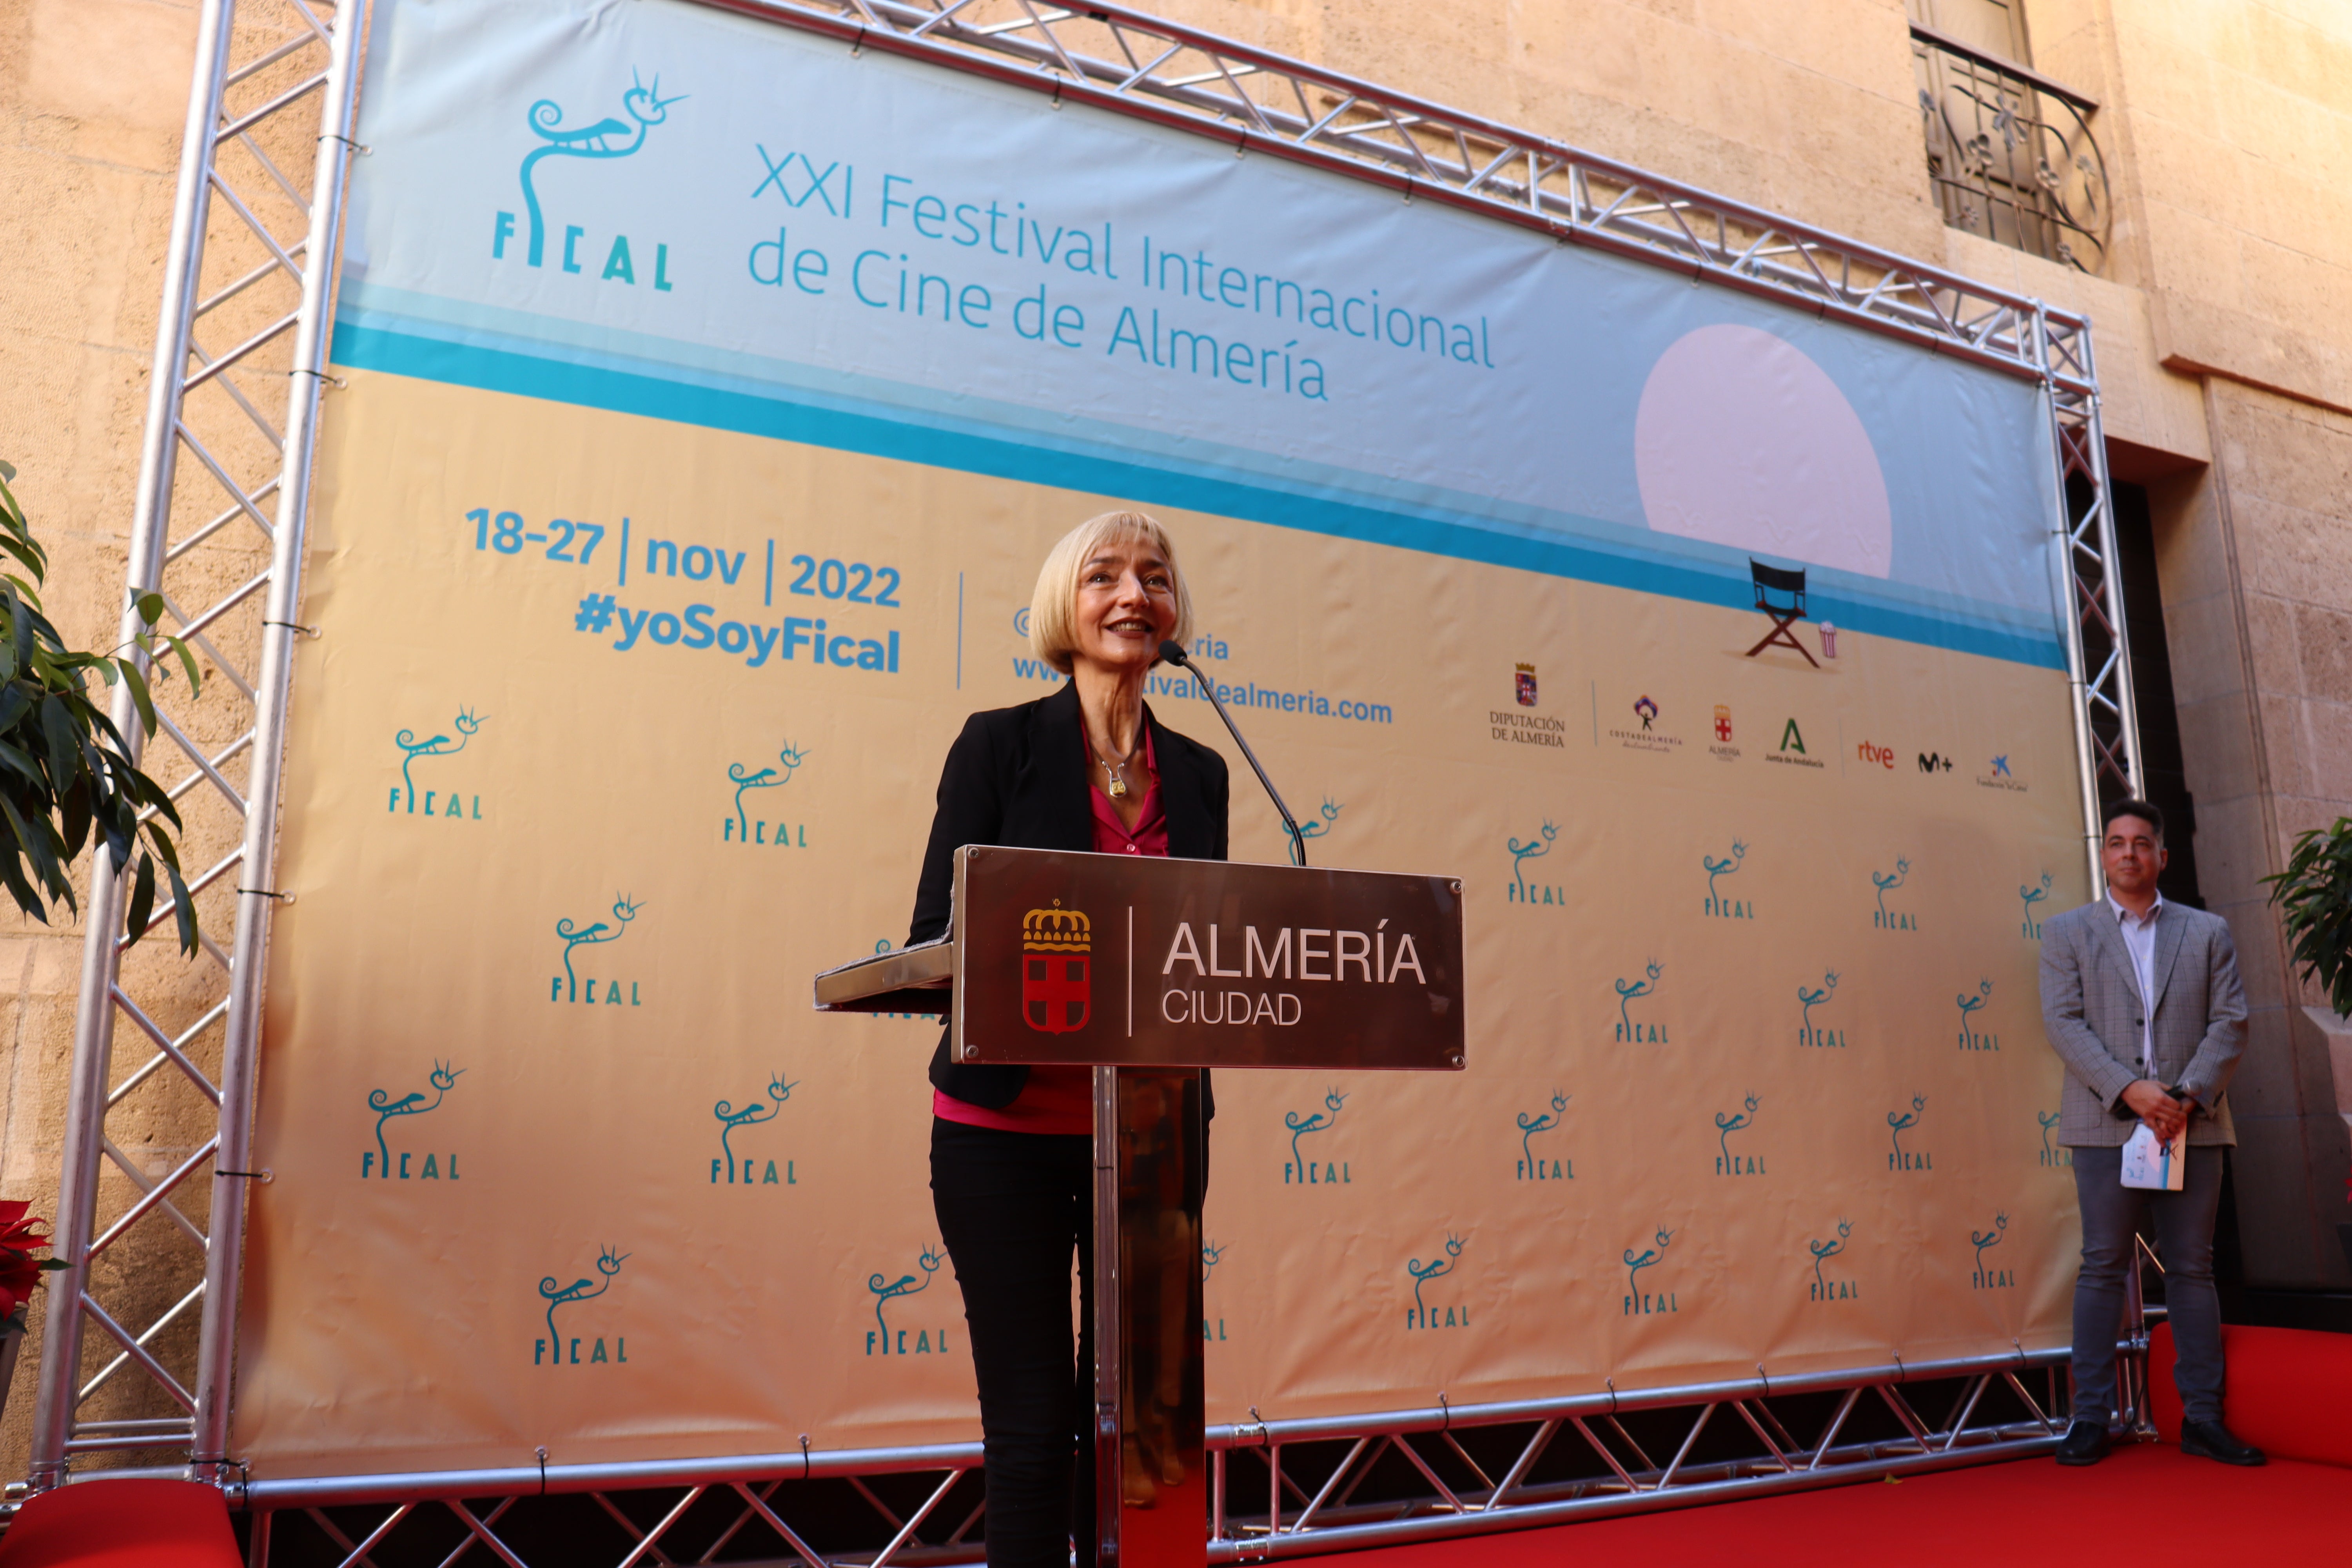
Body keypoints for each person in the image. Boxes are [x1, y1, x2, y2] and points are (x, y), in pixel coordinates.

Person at [908, 511, 1228, 1567]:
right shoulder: (997, 745)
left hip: (1153, 1142)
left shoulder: (1205, 775)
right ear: (1065, 604)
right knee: (1038, 1432)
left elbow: (1210, 963)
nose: (1135, 595)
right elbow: (936, 943)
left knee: (1142, 1434)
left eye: (1156, 577)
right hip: (1005, 1137)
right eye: (1105, 576)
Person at [2038, 798, 2262, 1467]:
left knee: (2193, 1269)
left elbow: (2232, 1021)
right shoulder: (2065, 933)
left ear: (2162, 856)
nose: (2129, 853)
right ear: (2102, 856)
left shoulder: (2208, 931)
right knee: (2103, 1267)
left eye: (2142, 843)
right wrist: (2131, 1092)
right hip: (2106, 1123)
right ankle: (2090, 1419)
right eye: (2116, 843)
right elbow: (2064, 1024)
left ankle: (2202, 1419)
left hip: (2192, 1123)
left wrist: (2184, 1097)